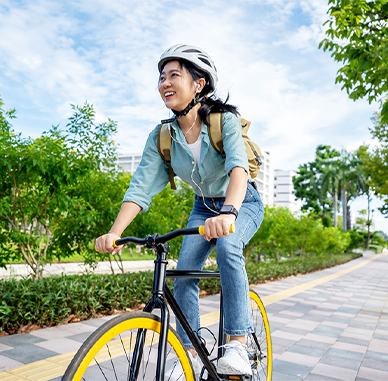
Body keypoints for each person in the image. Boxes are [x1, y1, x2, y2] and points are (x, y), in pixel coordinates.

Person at [95, 44, 264, 378]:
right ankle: (189, 353)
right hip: (203, 208)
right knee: (184, 271)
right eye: (161, 77)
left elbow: (239, 171)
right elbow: (140, 187)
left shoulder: (223, 121)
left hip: (241, 202)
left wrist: (229, 213)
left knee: (230, 246)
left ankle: (238, 345)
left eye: (174, 75)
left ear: (198, 84)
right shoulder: (163, 137)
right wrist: (115, 232)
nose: (164, 83)